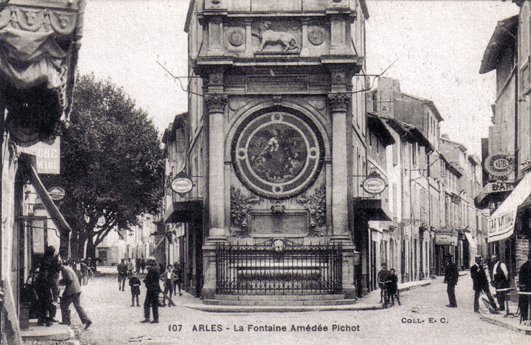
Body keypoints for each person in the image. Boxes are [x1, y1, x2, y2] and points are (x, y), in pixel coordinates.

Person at [59, 262, 92, 329]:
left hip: (72, 290)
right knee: (77, 306)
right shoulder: (67, 268)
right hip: (77, 289)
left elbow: (70, 280)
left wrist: (62, 282)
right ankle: (87, 320)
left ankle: (66, 321)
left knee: (63, 304)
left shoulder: (64, 270)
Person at [141, 257, 161, 323]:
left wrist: (145, 281)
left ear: (152, 262)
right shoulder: (157, 268)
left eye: (149, 261)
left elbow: (149, 279)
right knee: (154, 303)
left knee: (147, 303)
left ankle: (148, 318)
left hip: (151, 289)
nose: (148, 263)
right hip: (155, 288)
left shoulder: (152, 269)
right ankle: (155, 318)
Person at [518, 253, 531, 322]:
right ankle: (526, 318)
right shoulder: (526, 266)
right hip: (526, 290)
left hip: (525, 289)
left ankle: (526, 317)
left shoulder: (524, 266)